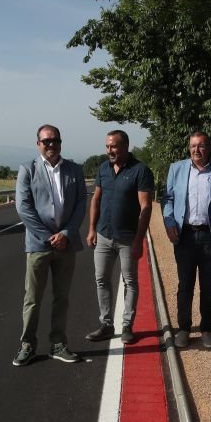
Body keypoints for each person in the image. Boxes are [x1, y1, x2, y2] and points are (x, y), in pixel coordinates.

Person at [12, 125, 88, 366]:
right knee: (33, 298)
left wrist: (66, 233)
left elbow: (80, 205)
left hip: (66, 243)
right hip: (38, 244)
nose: (51, 145)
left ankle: (58, 343)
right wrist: (47, 236)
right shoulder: (28, 169)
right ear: (38, 144)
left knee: (62, 297)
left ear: (61, 142)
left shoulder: (74, 170)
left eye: (54, 140)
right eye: (46, 141)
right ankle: (28, 345)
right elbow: (23, 207)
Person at [162, 132, 211, 349]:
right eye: (193, 146)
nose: (196, 150)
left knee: (208, 285)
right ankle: (183, 328)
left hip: (210, 236)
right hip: (185, 235)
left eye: (201, 146)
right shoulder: (177, 169)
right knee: (185, 284)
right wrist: (169, 221)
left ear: (209, 148)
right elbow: (168, 198)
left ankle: (207, 329)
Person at [86, 129, 155, 345]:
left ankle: (127, 325)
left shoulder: (140, 170)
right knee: (101, 279)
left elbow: (146, 207)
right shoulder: (103, 168)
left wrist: (138, 241)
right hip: (104, 236)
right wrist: (91, 229)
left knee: (130, 282)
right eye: (107, 146)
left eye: (113, 146)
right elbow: (96, 200)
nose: (109, 150)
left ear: (125, 146)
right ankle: (106, 324)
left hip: (128, 238)